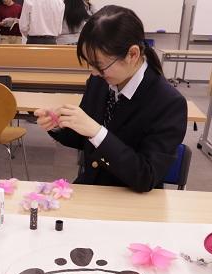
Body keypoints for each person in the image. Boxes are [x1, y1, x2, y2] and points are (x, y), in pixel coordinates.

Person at [34, 5, 187, 192]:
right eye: (90, 64)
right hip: (92, 190)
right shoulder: (101, 81)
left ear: (132, 54)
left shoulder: (168, 103)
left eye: (100, 65)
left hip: (132, 203)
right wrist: (59, 124)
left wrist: (97, 131)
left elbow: (146, 176)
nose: (94, 72)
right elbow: (84, 138)